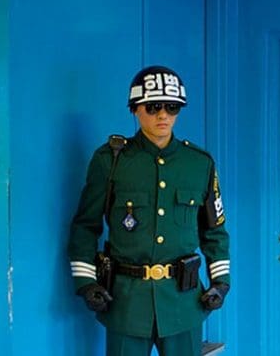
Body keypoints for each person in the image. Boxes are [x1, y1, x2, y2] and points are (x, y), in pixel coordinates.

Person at [67, 65, 230, 356]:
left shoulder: (199, 163)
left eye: (172, 107)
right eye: (153, 107)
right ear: (135, 109)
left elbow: (214, 229)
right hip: (127, 302)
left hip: (182, 301)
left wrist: (221, 282)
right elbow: (85, 225)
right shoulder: (111, 161)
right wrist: (86, 282)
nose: (163, 115)